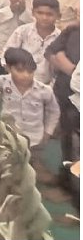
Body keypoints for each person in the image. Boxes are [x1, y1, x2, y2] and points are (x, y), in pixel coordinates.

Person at [0, 48, 60, 149]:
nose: (26, 75)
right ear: (8, 68)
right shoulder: (1, 82)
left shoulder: (44, 90)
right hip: (7, 137)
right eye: (19, 70)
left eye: (30, 71)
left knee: (33, 162)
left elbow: (54, 112)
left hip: (34, 140)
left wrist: (48, 132)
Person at [45, 21, 80, 202]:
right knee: (68, 146)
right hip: (66, 98)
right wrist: (62, 61)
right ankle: (66, 186)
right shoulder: (74, 30)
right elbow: (51, 51)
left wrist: (70, 68)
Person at [1, 0, 61, 84]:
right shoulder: (22, 31)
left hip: (46, 86)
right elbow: (6, 55)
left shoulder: (60, 37)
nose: (44, 17)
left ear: (58, 16)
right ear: (33, 13)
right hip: (18, 82)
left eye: (49, 14)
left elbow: (58, 69)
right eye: (40, 13)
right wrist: (15, 75)